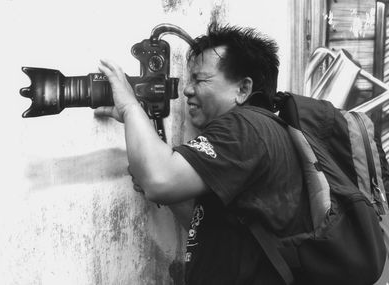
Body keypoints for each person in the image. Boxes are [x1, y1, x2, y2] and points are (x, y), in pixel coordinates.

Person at [94, 23, 312, 285]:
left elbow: (159, 180)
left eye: (200, 79)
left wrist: (130, 106)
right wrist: (168, 183)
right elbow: (213, 230)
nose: (187, 90)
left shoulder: (244, 128)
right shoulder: (264, 131)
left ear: (242, 89)